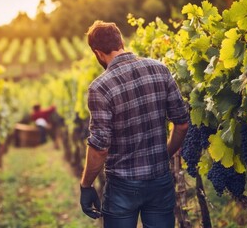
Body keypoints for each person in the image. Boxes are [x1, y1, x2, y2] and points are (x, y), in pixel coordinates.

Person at [79, 21, 189, 228]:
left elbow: (100, 147)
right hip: (159, 180)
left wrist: (86, 185)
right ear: (121, 42)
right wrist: (163, 156)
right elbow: (182, 124)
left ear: (98, 53)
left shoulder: (100, 87)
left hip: (122, 186)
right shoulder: (160, 70)